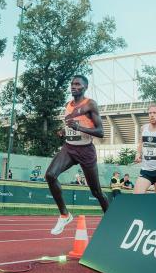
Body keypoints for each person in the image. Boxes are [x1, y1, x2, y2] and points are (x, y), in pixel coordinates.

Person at [45, 75, 110, 234]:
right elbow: (71, 125)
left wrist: (78, 128)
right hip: (69, 148)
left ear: (85, 87)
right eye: (72, 84)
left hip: (86, 151)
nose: (73, 87)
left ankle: (111, 219)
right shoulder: (68, 105)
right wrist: (64, 131)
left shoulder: (90, 104)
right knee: (50, 175)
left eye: (77, 84)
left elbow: (101, 132)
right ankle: (64, 215)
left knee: (96, 192)